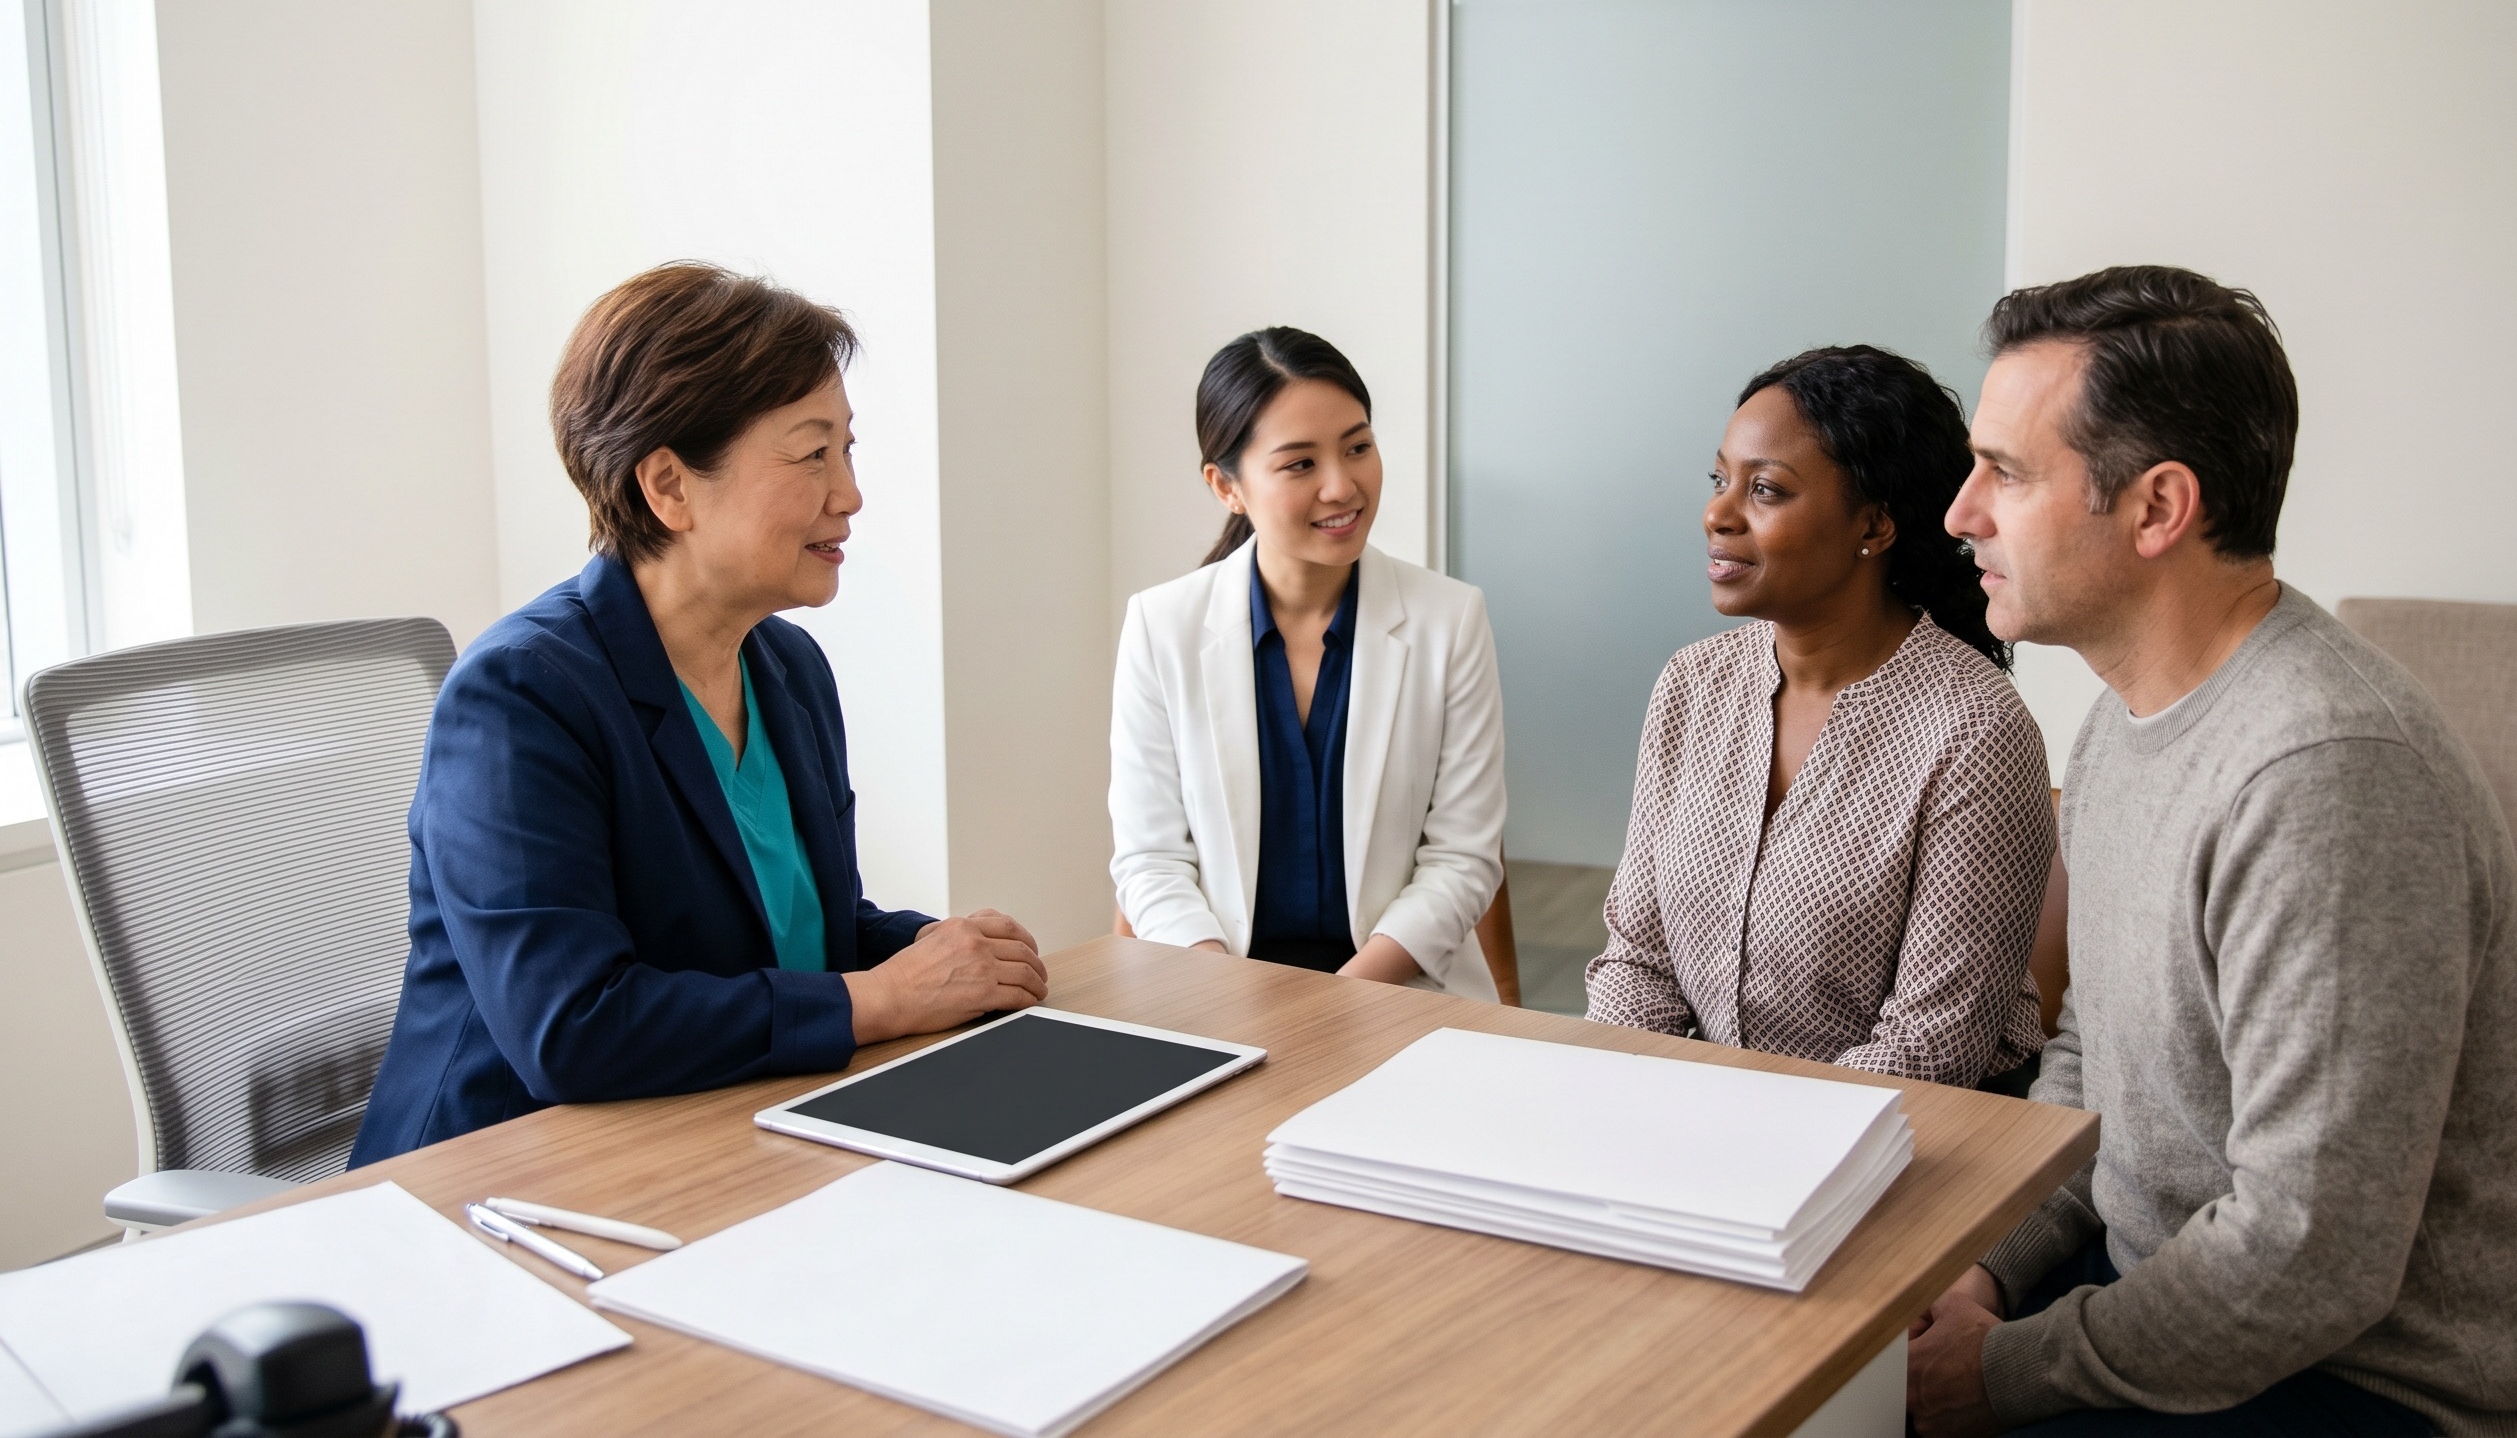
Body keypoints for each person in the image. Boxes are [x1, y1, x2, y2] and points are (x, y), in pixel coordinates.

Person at [1908, 266, 2517, 1435]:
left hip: (2382, 1384)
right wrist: (1991, 1271)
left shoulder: (2324, 774)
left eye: (2008, 474)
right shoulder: (2128, 718)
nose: (1960, 512)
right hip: (2187, 1304)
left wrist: (2005, 1372)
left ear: (2157, 508)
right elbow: (2095, 1062)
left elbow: (2306, 1256)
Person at [353, 264, 1048, 1162]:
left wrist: (941, 955)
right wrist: (883, 998)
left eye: (848, 450)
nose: (850, 495)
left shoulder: (787, 668)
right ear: (669, 487)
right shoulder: (519, 697)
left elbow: (800, 941)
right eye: (812, 454)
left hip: (708, 1137)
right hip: (494, 1186)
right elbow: (573, 1028)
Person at [1584, 346, 2051, 1091]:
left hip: (1916, 1139)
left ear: (1874, 523)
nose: (1717, 513)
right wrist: (1650, 1103)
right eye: (1719, 480)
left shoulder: (1976, 731)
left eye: (1765, 490)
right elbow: (1637, 959)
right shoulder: (1691, 684)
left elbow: (1933, 1047)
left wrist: (1742, 1136)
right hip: (1693, 1117)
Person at [1108, 327, 1505, 999]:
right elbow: (1150, 861)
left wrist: (1337, 1004)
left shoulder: (1451, 619)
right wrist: (1234, 996)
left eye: (1358, 447)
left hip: (1395, 998)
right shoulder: (1161, 626)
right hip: (1218, 996)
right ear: (1226, 486)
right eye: (1300, 464)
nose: (1342, 486)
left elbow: (1462, 860)